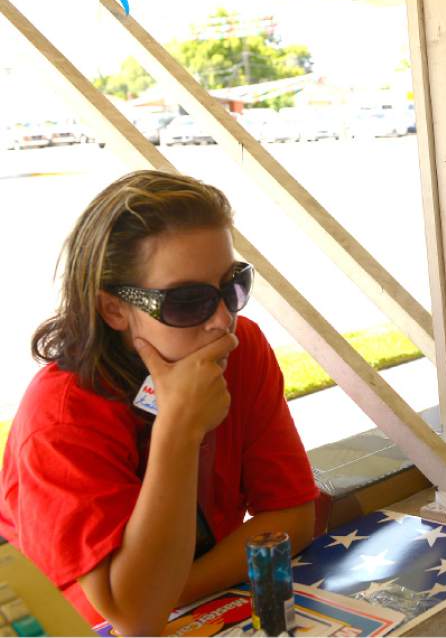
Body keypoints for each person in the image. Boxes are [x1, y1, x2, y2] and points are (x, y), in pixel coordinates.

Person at [0, 170, 321, 634]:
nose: (221, 320)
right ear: (114, 309)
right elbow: (134, 617)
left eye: (232, 287)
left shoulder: (241, 348)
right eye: (187, 301)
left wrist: (168, 584)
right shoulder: (62, 417)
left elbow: (293, 516)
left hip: (194, 609)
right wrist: (179, 429)